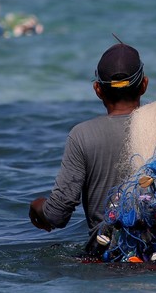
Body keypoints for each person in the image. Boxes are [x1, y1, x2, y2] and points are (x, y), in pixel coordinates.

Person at [29, 41, 148, 253]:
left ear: (98, 89)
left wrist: (37, 207)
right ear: (144, 85)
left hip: (108, 263)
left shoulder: (82, 135)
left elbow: (57, 214)